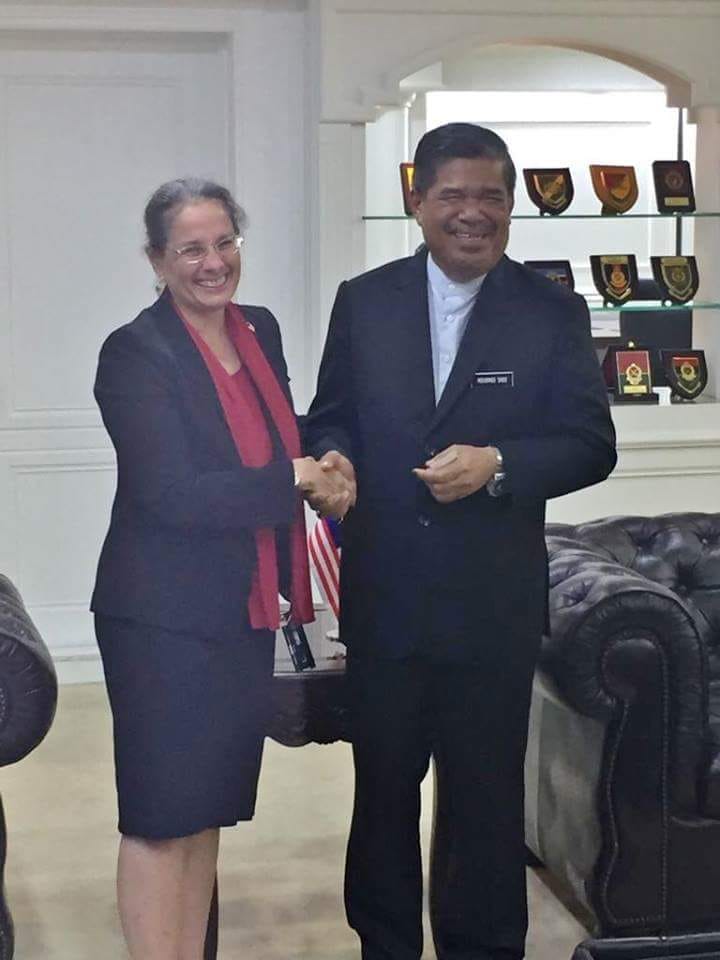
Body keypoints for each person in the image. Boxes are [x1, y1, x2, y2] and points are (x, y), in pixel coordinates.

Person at [303, 123, 617, 960]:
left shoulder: (551, 310)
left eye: (490, 197)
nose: (472, 213)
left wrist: (500, 463)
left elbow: (592, 445)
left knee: (484, 804)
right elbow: (331, 415)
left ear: (511, 205)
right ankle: (385, 947)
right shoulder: (364, 300)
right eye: (453, 195)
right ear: (418, 202)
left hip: (492, 608)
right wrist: (333, 456)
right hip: (387, 599)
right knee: (382, 798)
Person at [91, 177, 352, 960]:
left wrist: (324, 456)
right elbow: (170, 493)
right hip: (160, 620)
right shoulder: (135, 353)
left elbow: (274, 433)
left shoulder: (259, 328)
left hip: (241, 611)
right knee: (159, 818)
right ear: (157, 260)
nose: (213, 262)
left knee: (204, 810)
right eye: (191, 249)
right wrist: (293, 479)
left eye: (225, 242)